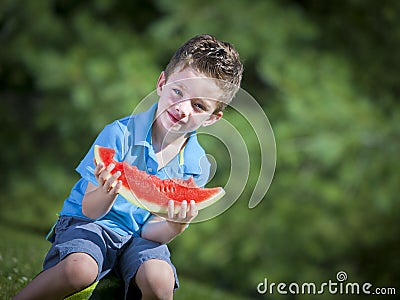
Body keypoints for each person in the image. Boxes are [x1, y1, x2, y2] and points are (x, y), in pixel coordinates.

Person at [14, 34, 243, 300]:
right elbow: (90, 210)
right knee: (80, 270)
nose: (182, 108)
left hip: (141, 240)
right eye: (178, 92)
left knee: (161, 281)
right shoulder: (119, 134)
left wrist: (174, 227)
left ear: (212, 119)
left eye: (199, 105)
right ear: (161, 83)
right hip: (93, 222)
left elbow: (150, 232)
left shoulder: (196, 166)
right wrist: (107, 192)